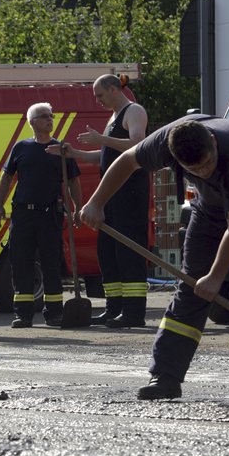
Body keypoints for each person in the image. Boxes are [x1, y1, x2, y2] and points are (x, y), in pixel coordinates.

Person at [80, 116, 229, 405]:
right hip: (208, 206)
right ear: (174, 159)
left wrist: (215, 276)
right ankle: (165, 377)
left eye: (207, 164)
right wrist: (96, 202)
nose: (203, 170)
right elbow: (126, 160)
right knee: (190, 287)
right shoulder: (165, 143)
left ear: (213, 143)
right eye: (194, 169)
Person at [51, 74, 150, 327]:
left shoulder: (134, 111)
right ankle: (114, 308)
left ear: (115, 89)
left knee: (128, 251)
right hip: (112, 194)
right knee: (108, 252)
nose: (98, 101)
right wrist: (75, 153)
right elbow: (105, 154)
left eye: (100, 95)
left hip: (130, 193)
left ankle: (133, 312)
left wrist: (102, 139)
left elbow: (138, 144)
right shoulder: (113, 118)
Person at [0, 103, 82, 327]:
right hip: (23, 214)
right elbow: (6, 178)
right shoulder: (21, 148)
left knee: (51, 264)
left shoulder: (61, 149)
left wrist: (77, 208)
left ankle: (54, 313)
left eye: (51, 116)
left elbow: (73, 180)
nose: (50, 120)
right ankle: (23, 314)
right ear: (32, 122)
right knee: (20, 262)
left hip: (49, 215)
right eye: (44, 117)